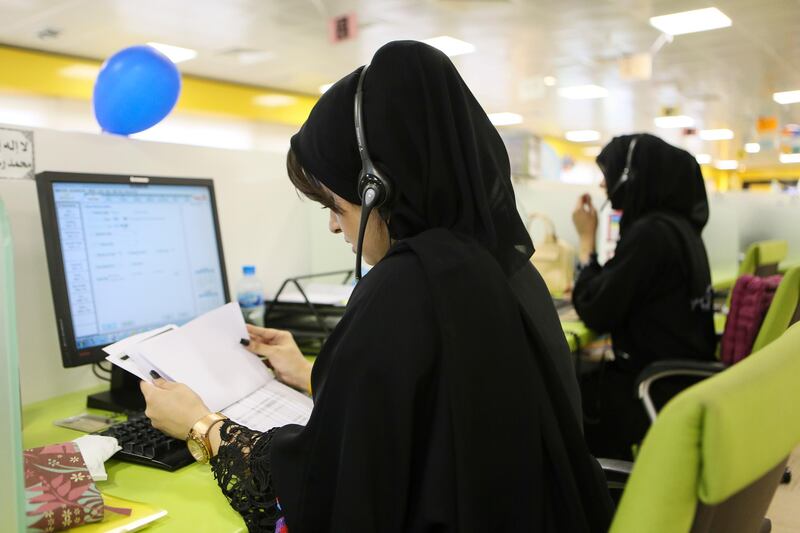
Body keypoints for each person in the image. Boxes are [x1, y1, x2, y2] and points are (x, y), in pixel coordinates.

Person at [141, 41, 613, 532]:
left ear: (377, 189)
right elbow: (435, 411)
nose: (333, 226)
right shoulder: (500, 265)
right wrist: (310, 373)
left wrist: (202, 426)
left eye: (334, 205)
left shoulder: (405, 287)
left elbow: (324, 490)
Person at [571, 133, 716, 459]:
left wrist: (585, 242)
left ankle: (596, 503)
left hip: (652, 387)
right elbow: (615, 289)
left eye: (608, 175)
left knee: (563, 393)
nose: (604, 186)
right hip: (681, 381)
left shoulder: (650, 235)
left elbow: (596, 309)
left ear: (631, 176)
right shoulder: (680, 229)